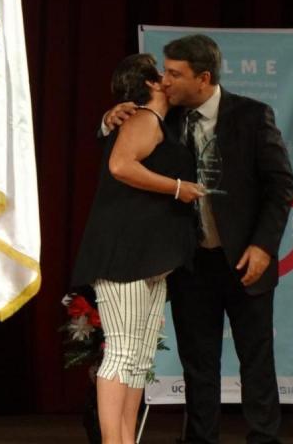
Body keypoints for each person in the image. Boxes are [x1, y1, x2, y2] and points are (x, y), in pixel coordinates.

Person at [103, 34, 293, 443]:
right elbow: (121, 154)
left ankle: (264, 438)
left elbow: (280, 187)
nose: (165, 81)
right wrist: (108, 121)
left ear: (203, 77)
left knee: (256, 361)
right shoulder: (161, 116)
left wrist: (263, 246)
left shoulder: (252, 115)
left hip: (246, 258)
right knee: (199, 364)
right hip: (191, 262)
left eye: (175, 73)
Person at [72, 53, 204, 444]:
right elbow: (120, 166)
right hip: (123, 257)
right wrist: (178, 188)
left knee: (140, 357)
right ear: (149, 84)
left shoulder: (163, 120)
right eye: (163, 74)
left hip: (149, 259)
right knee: (122, 353)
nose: (170, 78)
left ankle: (126, 438)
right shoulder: (143, 119)